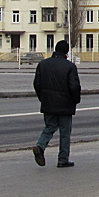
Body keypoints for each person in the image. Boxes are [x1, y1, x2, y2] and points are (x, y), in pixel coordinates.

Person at [31, 40, 82, 168]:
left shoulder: (43, 64)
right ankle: (63, 159)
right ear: (66, 52)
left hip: (48, 102)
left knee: (49, 127)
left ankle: (40, 146)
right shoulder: (70, 67)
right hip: (65, 104)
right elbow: (74, 86)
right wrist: (75, 100)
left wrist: (43, 98)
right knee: (65, 132)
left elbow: (36, 84)